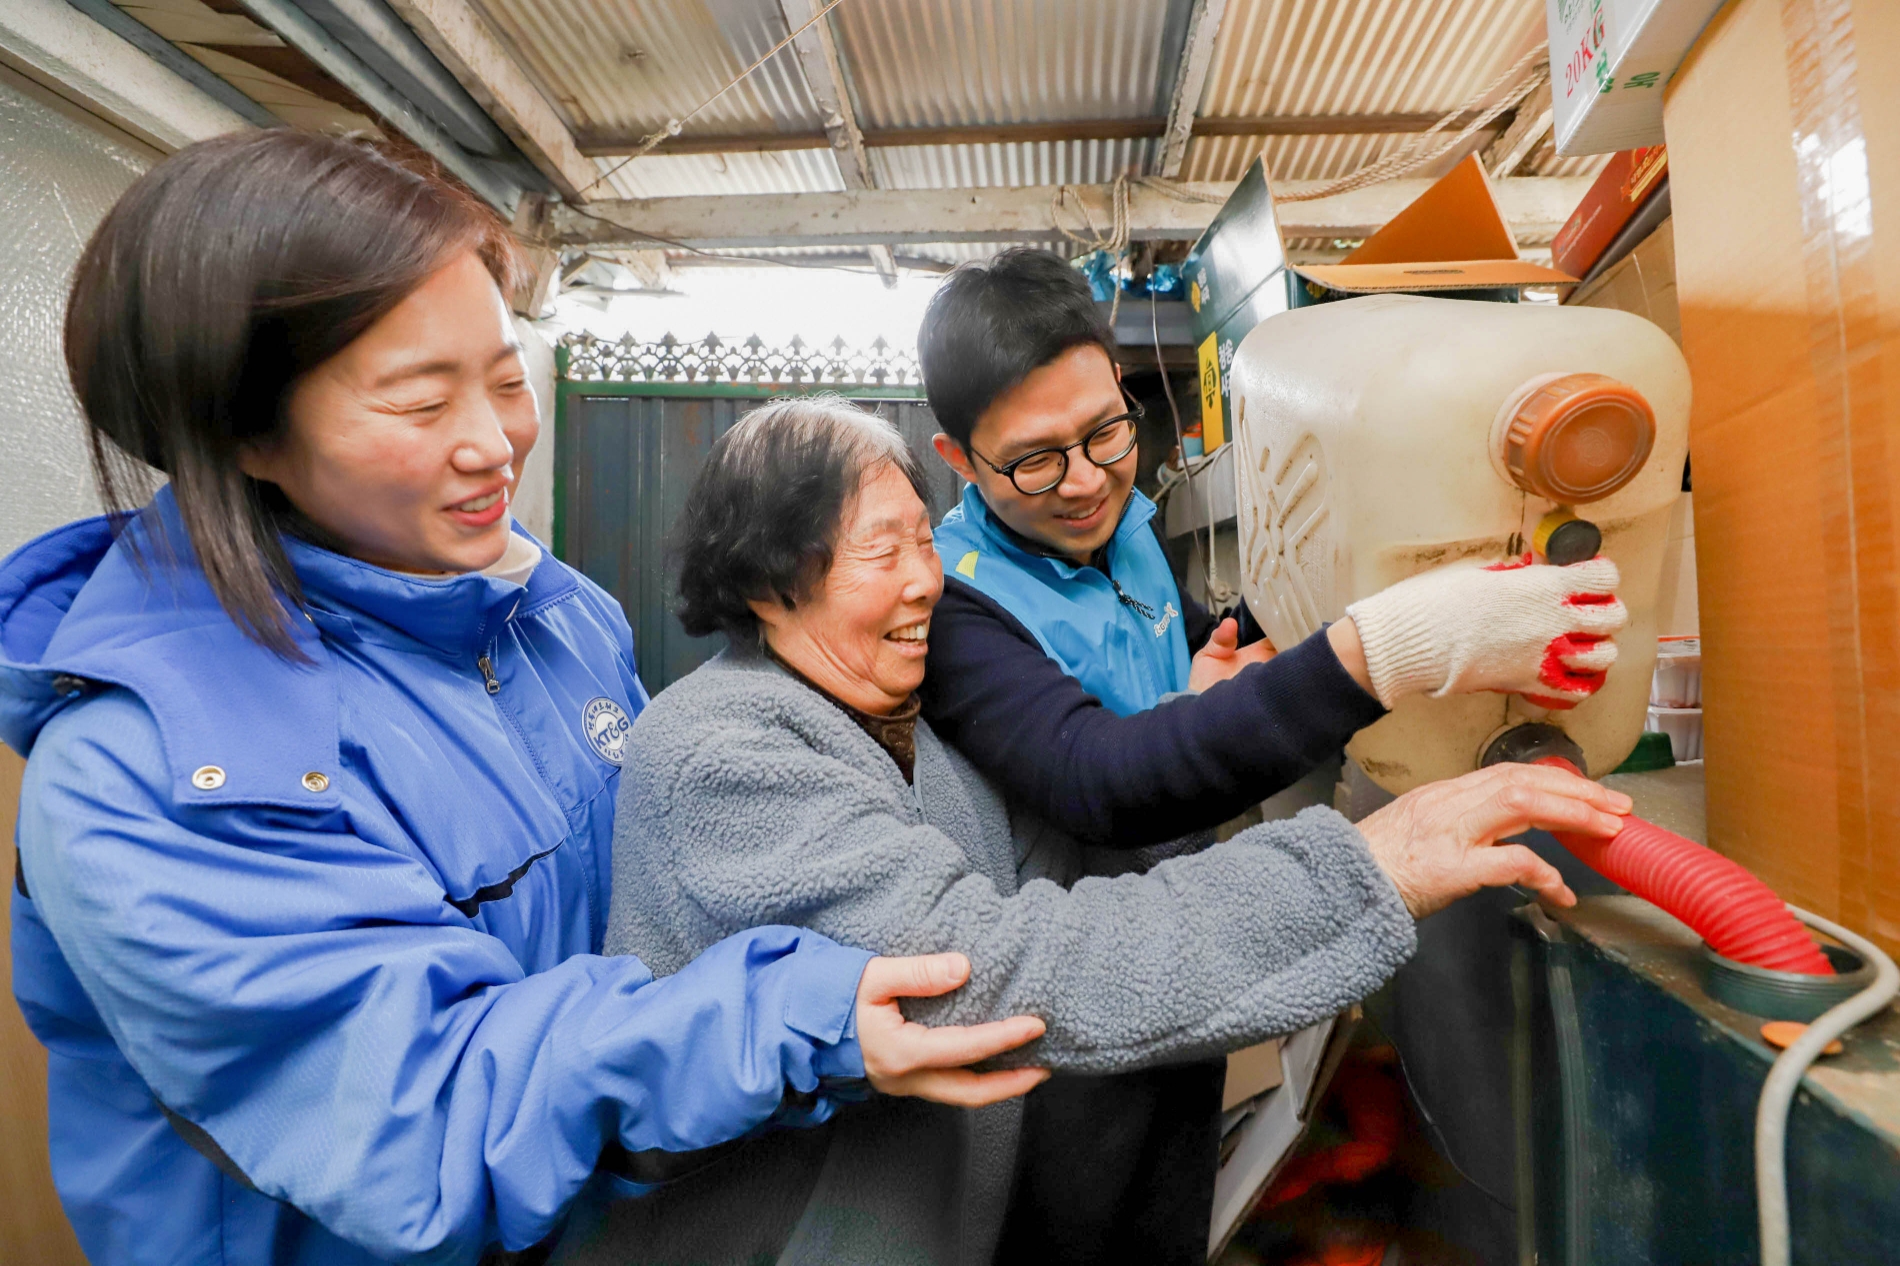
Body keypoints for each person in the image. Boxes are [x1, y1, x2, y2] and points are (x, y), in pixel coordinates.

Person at [0, 132, 1045, 1266]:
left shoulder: (552, 614)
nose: (494, 441)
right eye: (418, 402)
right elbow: (423, 1118)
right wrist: (785, 1017)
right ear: (247, 432)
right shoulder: (153, 771)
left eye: (506, 378)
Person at [580, 398, 1632, 1266]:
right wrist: (1370, 866)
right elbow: (996, 969)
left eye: (920, 539)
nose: (923, 582)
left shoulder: (905, 733)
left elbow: (1079, 844)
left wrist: (1209, 727)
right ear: (768, 582)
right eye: (878, 551)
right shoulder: (724, 754)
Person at [913, 248, 1631, 1259]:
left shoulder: (1113, 531)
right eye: (1035, 460)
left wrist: (1255, 645)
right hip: (1063, 1038)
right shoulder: (953, 606)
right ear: (956, 457)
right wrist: (1389, 646)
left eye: (1105, 432)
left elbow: (1173, 647)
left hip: (1184, 969)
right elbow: (1098, 779)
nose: (1083, 483)